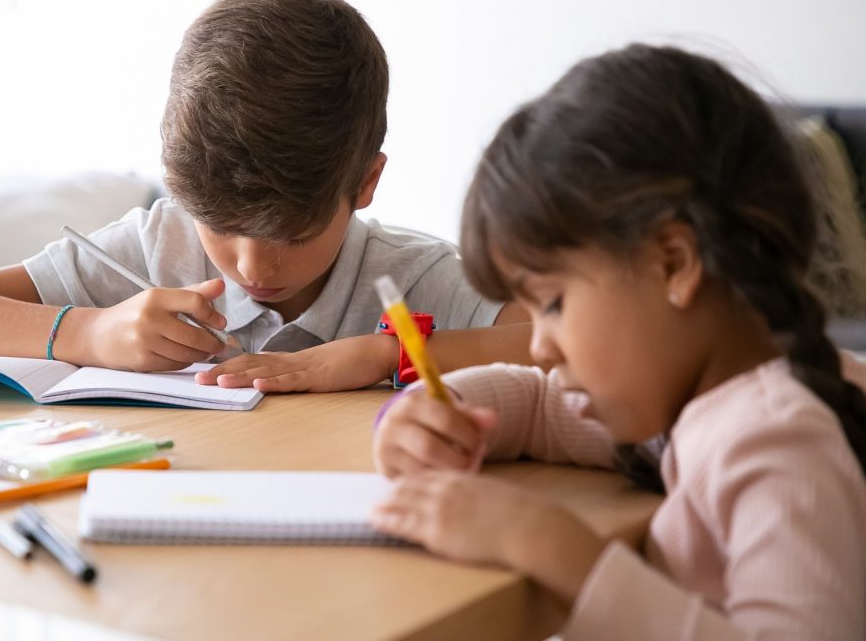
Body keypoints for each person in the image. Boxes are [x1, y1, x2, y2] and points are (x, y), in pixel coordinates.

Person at [370, 44, 866, 639]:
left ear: (672, 263)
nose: (540, 347)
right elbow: (543, 405)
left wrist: (552, 547)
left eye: (553, 304)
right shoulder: (696, 401)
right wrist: (430, 412)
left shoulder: (777, 443)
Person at [0, 0, 529, 391]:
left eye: (292, 233)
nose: (252, 267)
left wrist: (388, 355)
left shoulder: (414, 278)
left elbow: (571, 349)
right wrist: (87, 332)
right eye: (219, 224)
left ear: (365, 183)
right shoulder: (155, 248)